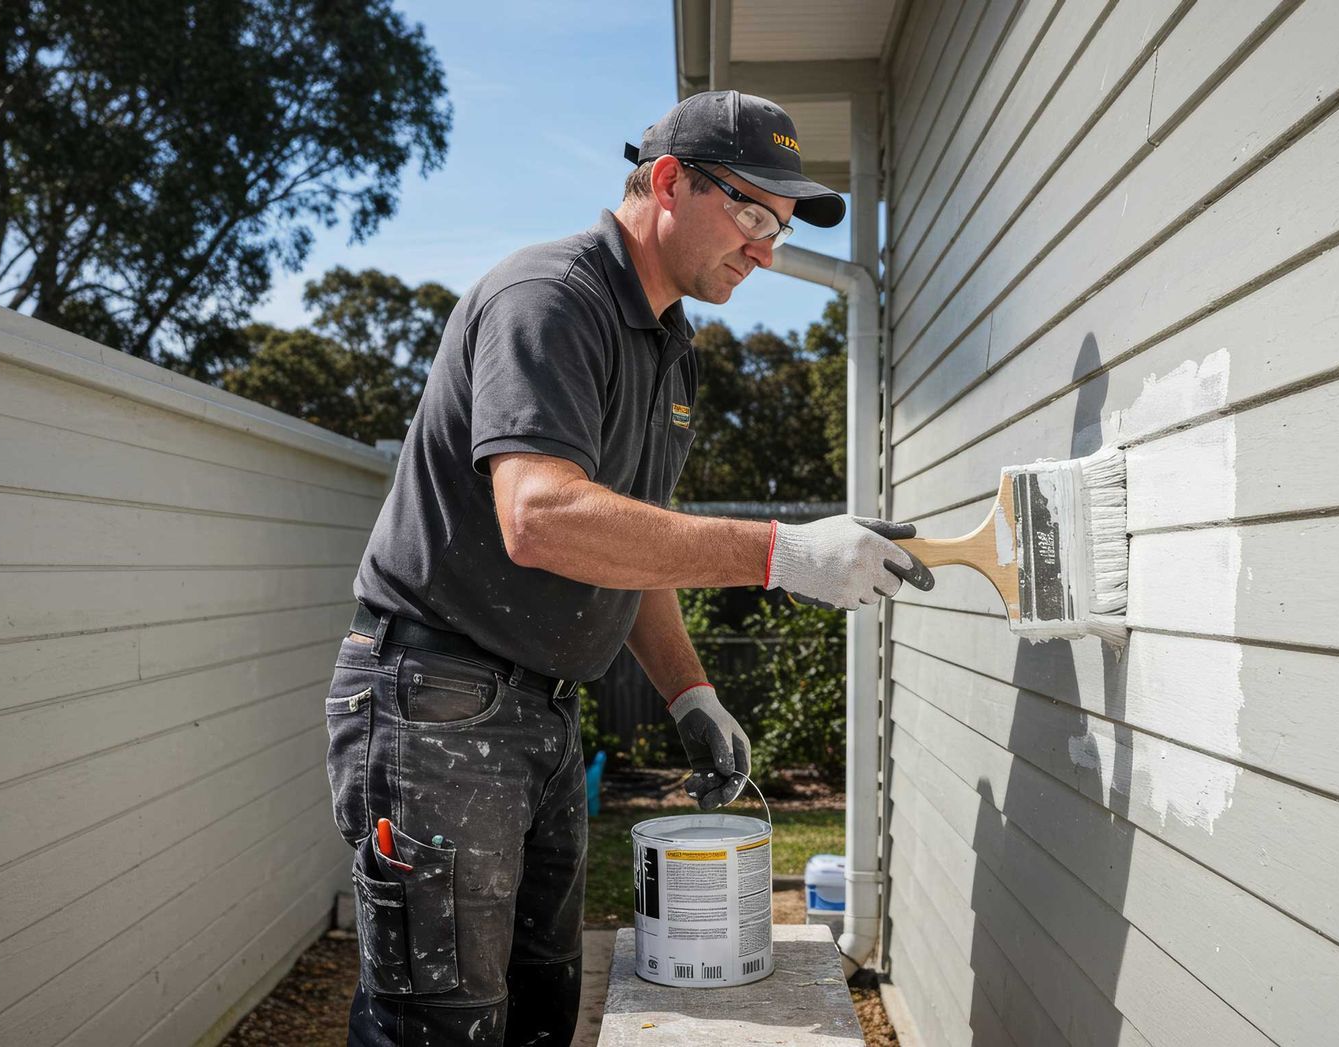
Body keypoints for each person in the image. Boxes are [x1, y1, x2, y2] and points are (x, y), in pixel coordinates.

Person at [325, 90, 933, 1047]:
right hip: (435, 702)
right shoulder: (550, 299)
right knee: (438, 1024)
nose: (768, 252)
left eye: (780, 229)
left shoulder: (670, 346)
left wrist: (692, 695)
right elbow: (541, 517)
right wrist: (780, 552)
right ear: (669, 181)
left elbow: (629, 542)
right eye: (753, 216)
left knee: (539, 1006)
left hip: (541, 710)